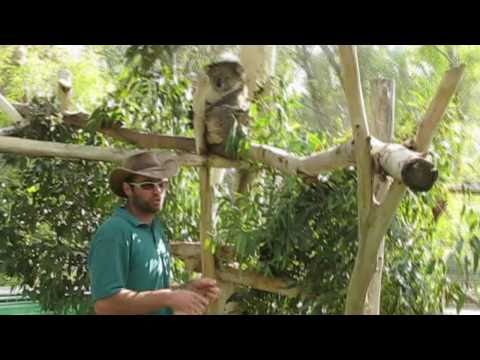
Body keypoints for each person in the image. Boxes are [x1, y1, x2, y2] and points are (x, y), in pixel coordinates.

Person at [88, 151, 220, 315]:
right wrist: (168, 297)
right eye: (148, 185)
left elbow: (150, 292)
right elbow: (105, 304)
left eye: (161, 184)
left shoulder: (156, 231)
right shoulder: (114, 232)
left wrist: (185, 290)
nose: (157, 191)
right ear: (128, 189)